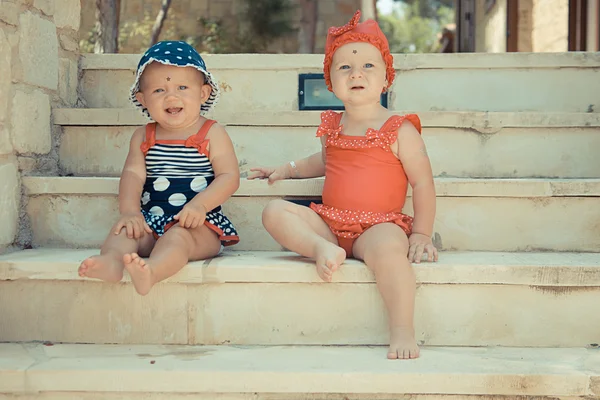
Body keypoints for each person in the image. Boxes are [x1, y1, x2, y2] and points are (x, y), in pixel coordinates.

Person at [248, 11, 438, 359]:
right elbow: (323, 162)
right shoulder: (333, 126)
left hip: (379, 225)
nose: (357, 74)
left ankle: (402, 330)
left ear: (386, 78)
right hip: (331, 224)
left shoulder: (399, 129)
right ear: (330, 81)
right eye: (345, 68)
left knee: (391, 257)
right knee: (274, 211)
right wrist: (286, 170)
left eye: (368, 66)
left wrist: (422, 233)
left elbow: (423, 183)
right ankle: (321, 249)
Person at [78, 41, 240, 295]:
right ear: (142, 99)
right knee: (124, 233)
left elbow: (229, 177)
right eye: (159, 90)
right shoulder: (143, 136)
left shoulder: (213, 133)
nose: (171, 96)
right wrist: (130, 212)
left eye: (182, 87)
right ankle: (112, 262)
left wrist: (201, 205)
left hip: (199, 225)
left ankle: (152, 271)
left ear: (203, 93)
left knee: (178, 239)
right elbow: (132, 175)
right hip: (152, 220)